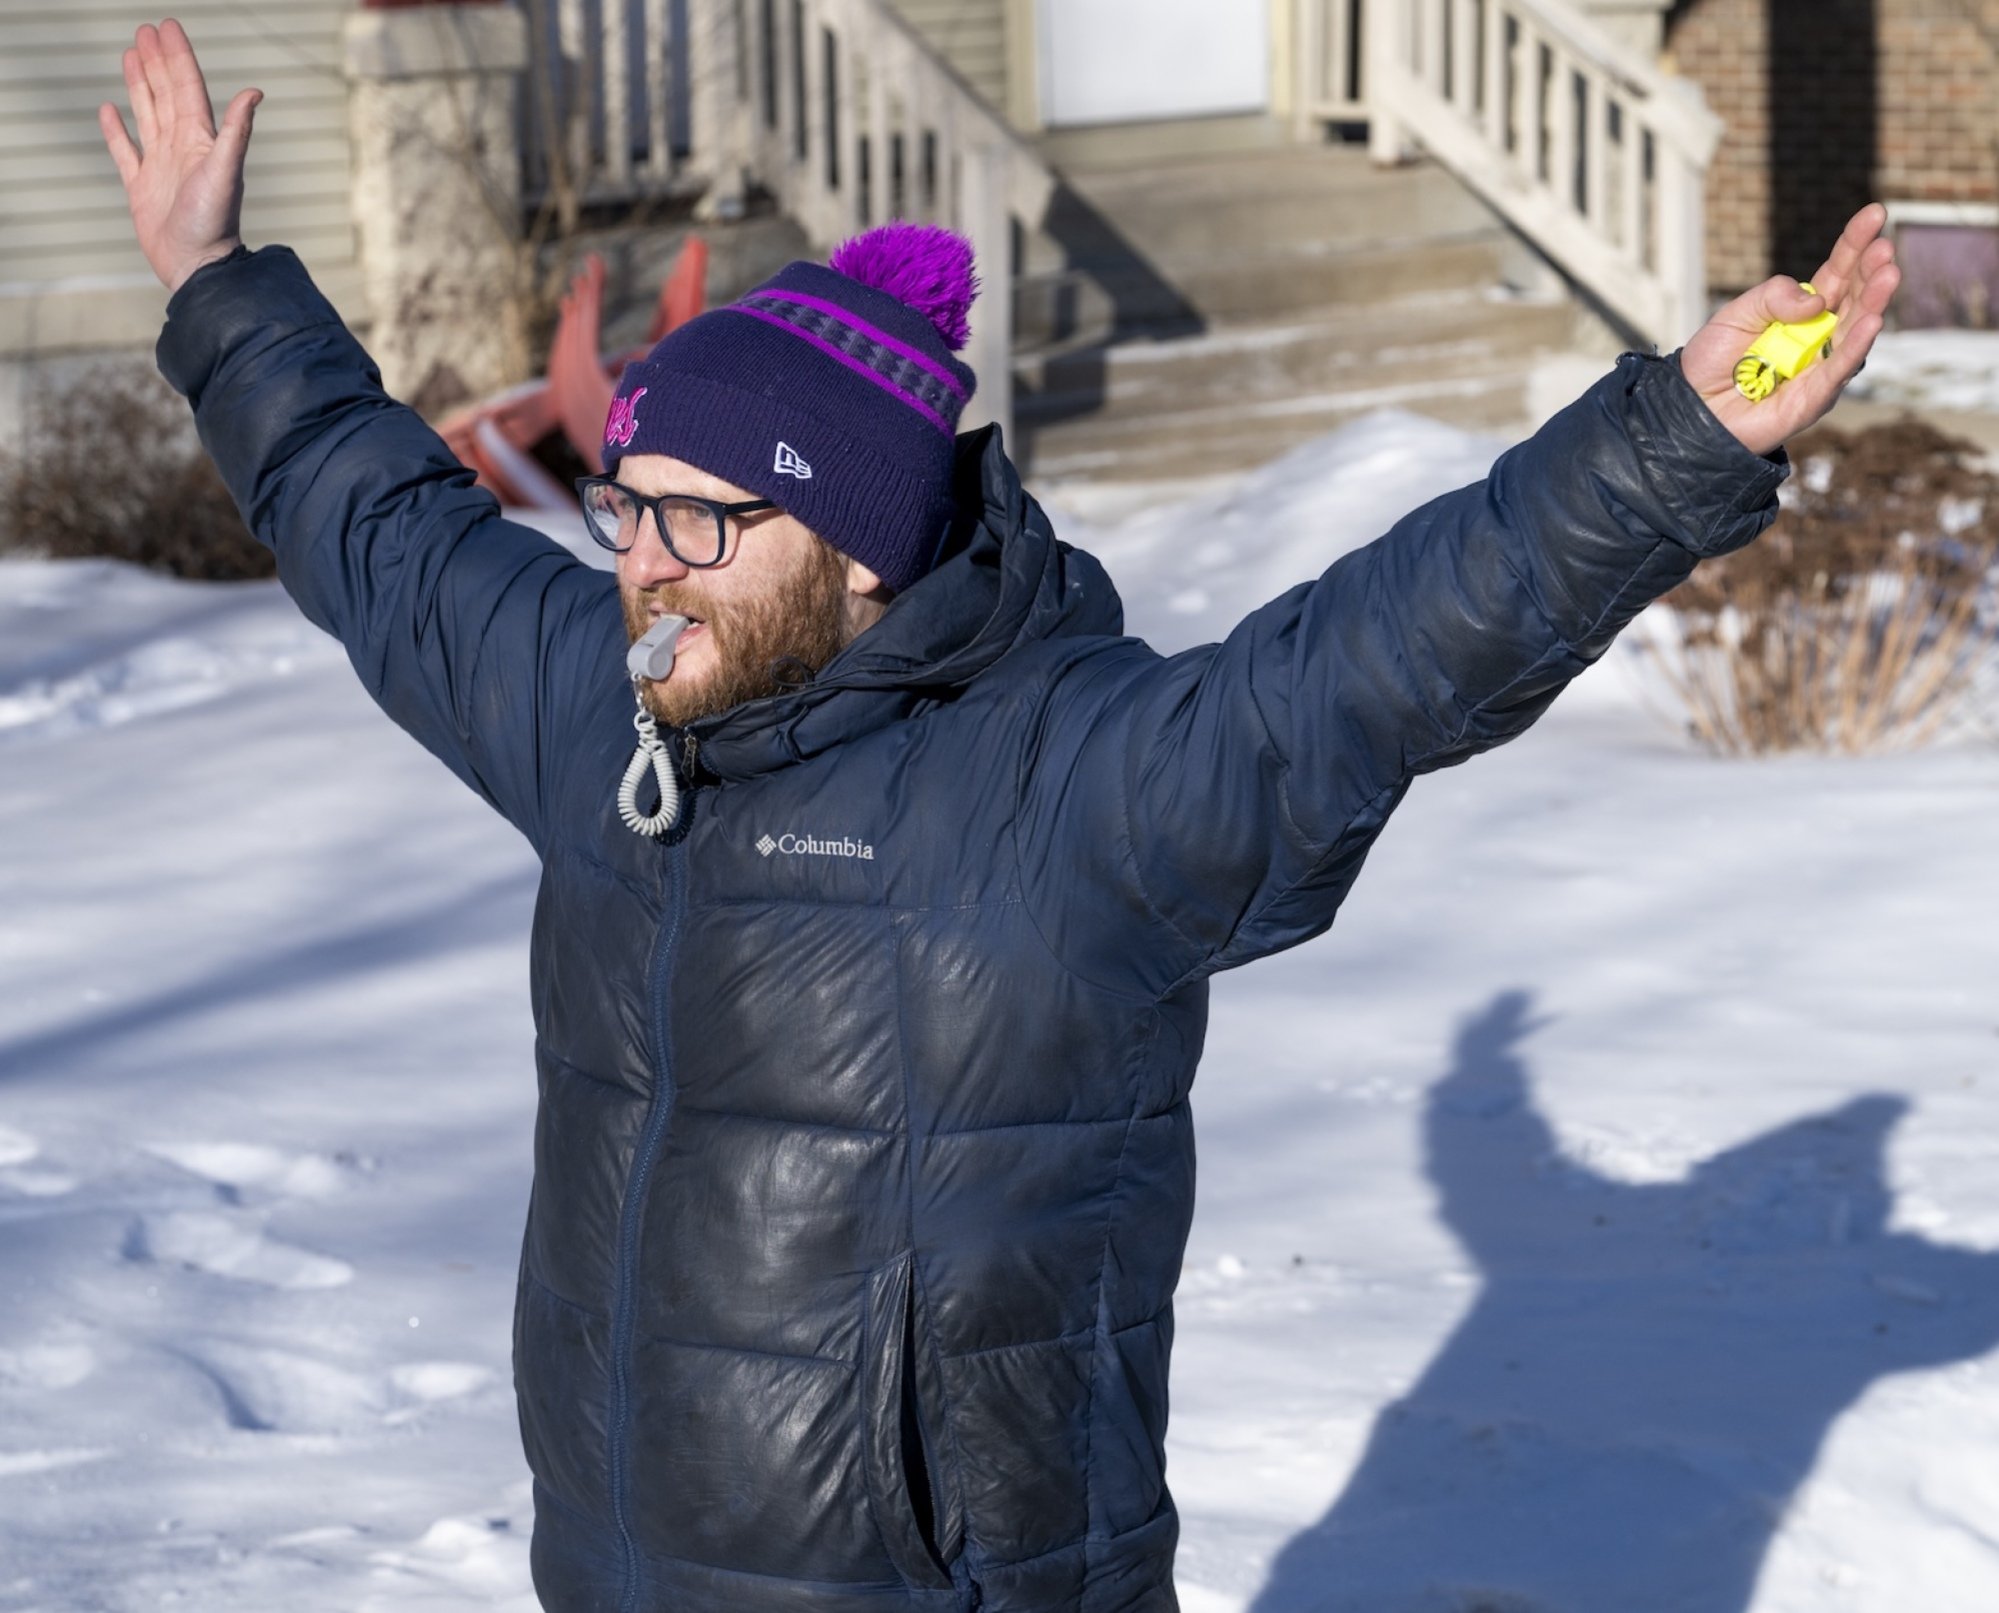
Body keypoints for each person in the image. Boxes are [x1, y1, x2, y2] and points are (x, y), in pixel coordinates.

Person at [100, 18, 1898, 1613]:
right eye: (626, 505)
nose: (642, 562)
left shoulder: (1076, 786)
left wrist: (1676, 438)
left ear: (863, 549)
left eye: (703, 519)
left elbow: (1382, 657)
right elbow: (387, 533)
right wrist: (217, 282)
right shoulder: (618, 707)